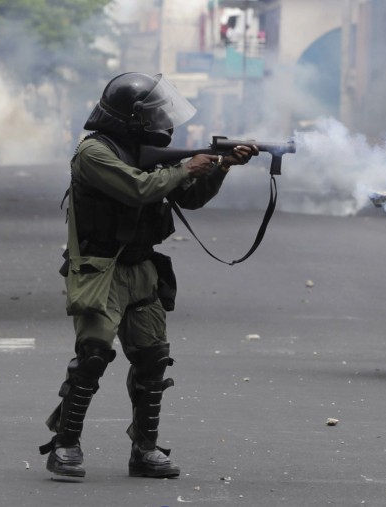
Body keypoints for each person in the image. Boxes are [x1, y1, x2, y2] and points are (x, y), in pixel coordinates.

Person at [39, 72, 258, 479]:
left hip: (142, 267)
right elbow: (138, 189)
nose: (162, 124)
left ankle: (145, 449)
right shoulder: (93, 152)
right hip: (99, 269)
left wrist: (222, 166)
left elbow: (189, 198)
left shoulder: (152, 155)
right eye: (153, 117)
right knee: (93, 357)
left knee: (152, 358)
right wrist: (186, 167)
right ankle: (65, 444)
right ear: (131, 117)